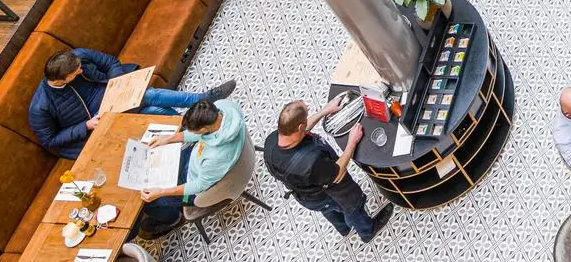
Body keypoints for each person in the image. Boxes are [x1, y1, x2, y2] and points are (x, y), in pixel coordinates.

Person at [29, 49, 226, 159]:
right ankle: (201, 105)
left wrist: (117, 84)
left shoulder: (78, 56)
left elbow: (111, 62)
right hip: (99, 122)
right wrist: (86, 126)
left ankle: (192, 126)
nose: (81, 70)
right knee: (149, 97)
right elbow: (50, 141)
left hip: (118, 95)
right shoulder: (41, 106)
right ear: (63, 79)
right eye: (77, 72)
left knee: (150, 105)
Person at [264, 95, 393, 242]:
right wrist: (352, 141)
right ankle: (367, 231)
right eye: (307, 116)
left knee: (328, 210)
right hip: (326, 192)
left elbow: (301, 131)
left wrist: (324, 111)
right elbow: (338, 173)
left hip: (307, 195)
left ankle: (343, 228)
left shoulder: (272, 141)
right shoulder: (311, 163)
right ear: (300, 126)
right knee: (351, 208)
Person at [139, 95, 245, 231]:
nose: (189, 133)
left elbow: (199, 186)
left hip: (197, 185)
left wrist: (161, 192)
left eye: (193, 131)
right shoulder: (224, 107)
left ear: (204, 130)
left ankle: (173, 220)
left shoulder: (216, 157)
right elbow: (197, 135)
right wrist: (168, 138)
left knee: (148, 203)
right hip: (196, 160)